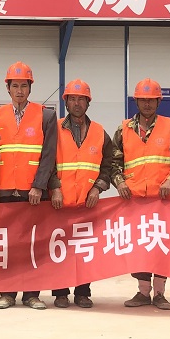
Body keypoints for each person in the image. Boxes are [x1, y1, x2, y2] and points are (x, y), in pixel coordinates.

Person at [111, 78, 170, 310]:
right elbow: (112, 162)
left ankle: (160, 293)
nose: (147, 104)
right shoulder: (124, 129)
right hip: (134, 200)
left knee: (160, 245)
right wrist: (120, 183)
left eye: (151, 100)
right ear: (136, 101)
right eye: (143, 100)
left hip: (163, 201)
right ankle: (143, 292)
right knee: (140, 246)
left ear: (158, 101)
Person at [0, 61, 59, 310]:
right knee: (8, 245)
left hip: (33, 192)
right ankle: (7, 294)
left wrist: (39, 186)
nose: (19, 91)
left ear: (30, 88)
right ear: (7, 88)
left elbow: (49, 155)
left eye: (24, 86)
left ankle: (31, 294)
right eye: (15, 86)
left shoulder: (46, 116)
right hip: (6, 192)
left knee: (33, 244)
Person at [49, 79, 115, 309]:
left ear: (88, 102)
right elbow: (47, 161)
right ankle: (60, 293)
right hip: (59, 203)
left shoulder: (99, 132)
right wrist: (55, 187)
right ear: (66, 102)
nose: (77, 103)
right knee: (60, 249)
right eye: (72, 99)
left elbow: (109, 164)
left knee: (85, 250)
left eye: (81, 99)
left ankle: (83, 292)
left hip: (88, 204)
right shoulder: (54, 129)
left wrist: (98, 187)